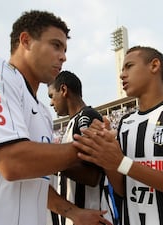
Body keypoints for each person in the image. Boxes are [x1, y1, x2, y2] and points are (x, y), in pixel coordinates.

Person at [0, 10, 111, 225]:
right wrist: (92, 148)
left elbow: (35, 181)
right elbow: (12, 161)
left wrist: (73, 212)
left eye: (64, 49)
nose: (63, 56)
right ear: (25, 40)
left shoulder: (44, 113)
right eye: (56, 45)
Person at [73, 46, 163, 225]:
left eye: (129, 66)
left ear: (154, 66)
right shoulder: (125, 122)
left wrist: (120, 162)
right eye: (122, 69)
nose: (122, 75)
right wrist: (106, 156)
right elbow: (123, 188)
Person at [47, 70, 116, 225]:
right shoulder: (73, 121)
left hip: (91, 215)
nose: (51, 103)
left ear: (64, 90)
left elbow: (92, 176)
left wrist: (49, 162)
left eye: (51, 96)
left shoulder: (87, 117)